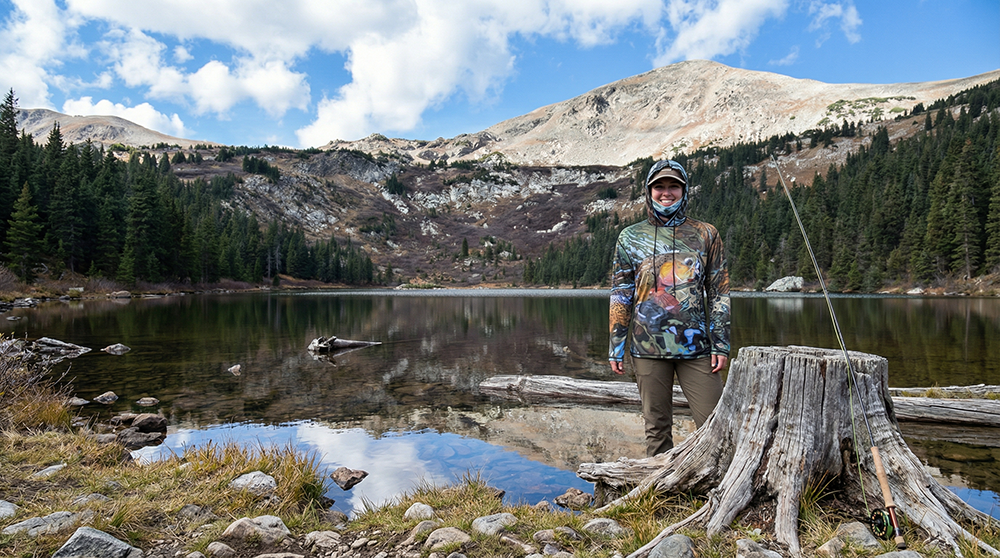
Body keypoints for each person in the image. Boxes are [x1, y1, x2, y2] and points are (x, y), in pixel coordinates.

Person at [608, 159, 731, 457]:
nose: (666, 193)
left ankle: (716, 488)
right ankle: (661, 493)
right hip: (646, 347)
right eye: (659, 187)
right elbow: (621, 294)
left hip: (698, 349)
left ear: (684, 190)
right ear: (649, 192)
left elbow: (719, 293)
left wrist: (721, 343)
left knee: (715, 423)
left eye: (673, 186)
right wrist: (616, 344)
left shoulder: (707, 234)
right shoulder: (629, 237)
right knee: (656, 427)